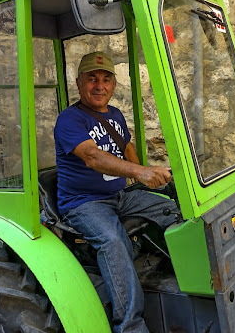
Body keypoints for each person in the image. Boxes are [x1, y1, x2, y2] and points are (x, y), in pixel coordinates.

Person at [54, 51, 178, 333]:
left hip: (121, 195)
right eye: (92, 79)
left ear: (114, 84)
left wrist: (146, 174)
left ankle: (186, 281)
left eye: (106, 79)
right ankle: (131, 326)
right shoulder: (69, 120)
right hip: (84, 203)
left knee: (173, 210)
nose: (99, 85)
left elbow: (125, 148)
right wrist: (141, 172)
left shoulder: (115, 115)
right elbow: (92, 157)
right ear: (78, 82)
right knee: (113, 241)